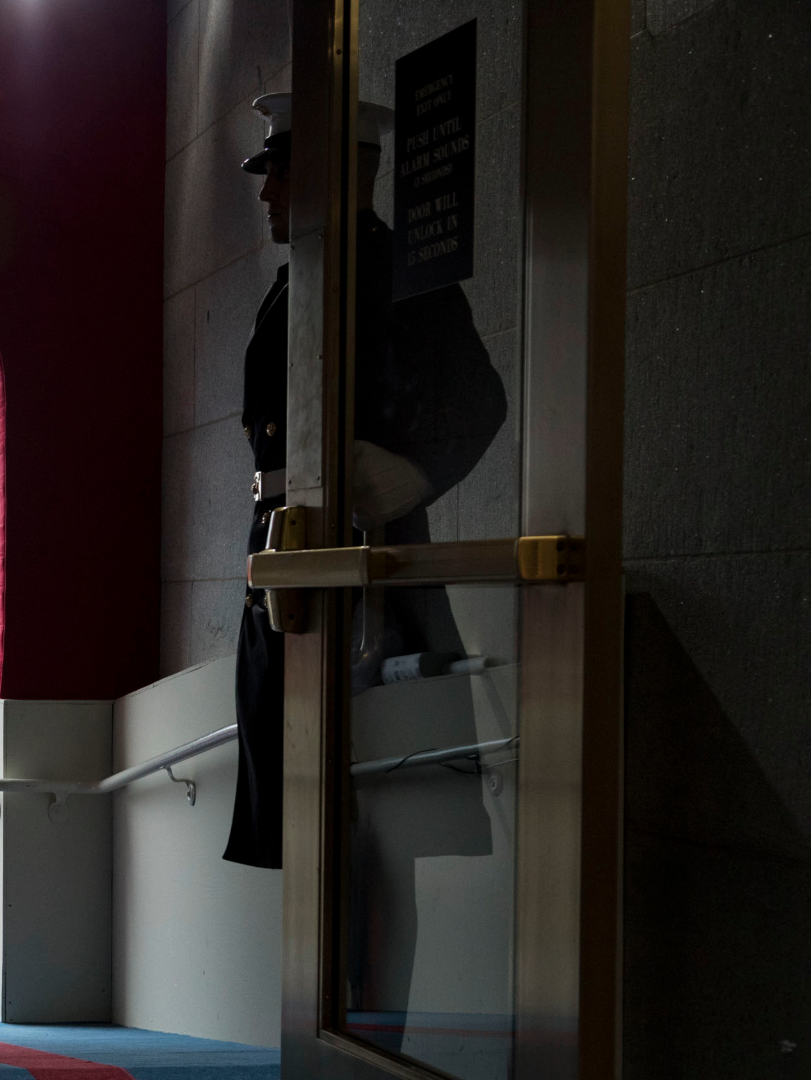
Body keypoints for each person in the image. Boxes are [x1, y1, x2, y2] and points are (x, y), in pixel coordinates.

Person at [227, 93, 505, 870]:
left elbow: (479, 399)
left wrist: (414, 472)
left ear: (329, 176)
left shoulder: (391, 274)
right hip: (291, 568)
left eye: (280, 173)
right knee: (304, 822)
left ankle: (353, 995)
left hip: (359, 572)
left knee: (377, 835)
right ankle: (322, 991)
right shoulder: (298, 282)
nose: (267, 192)